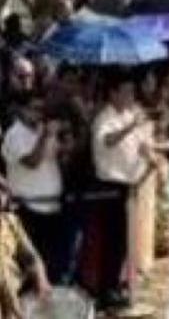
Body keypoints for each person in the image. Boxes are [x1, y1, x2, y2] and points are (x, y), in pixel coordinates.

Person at [91, 76, 154, 311]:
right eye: (126, 92)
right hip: (109, 187)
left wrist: (149, 153)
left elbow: (139, 144)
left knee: (124, 242)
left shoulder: (128, 115)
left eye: (132, 92)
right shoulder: (104, 119)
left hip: (129, 184)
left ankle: (118, 285)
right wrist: (130, 127)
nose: (130, 97)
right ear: (113, 93)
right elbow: (108, 140)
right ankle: (106, 292)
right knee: (112, 242)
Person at [1, 95, 64, 284]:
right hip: (29, 209)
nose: (38, 114)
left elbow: (59, 158)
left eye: (41, 110)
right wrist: (45, 136)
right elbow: (32, 162)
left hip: (51, 207)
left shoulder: (40, 132)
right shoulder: (14, 135)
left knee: (49, 263)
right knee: (31, 267)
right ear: (22, 110)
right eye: (34, 109)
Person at [0, 178, 51, 318]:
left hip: (13, 299)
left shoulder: (11, 223)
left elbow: (30, 256)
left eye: (2, 190)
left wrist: (40, 276)